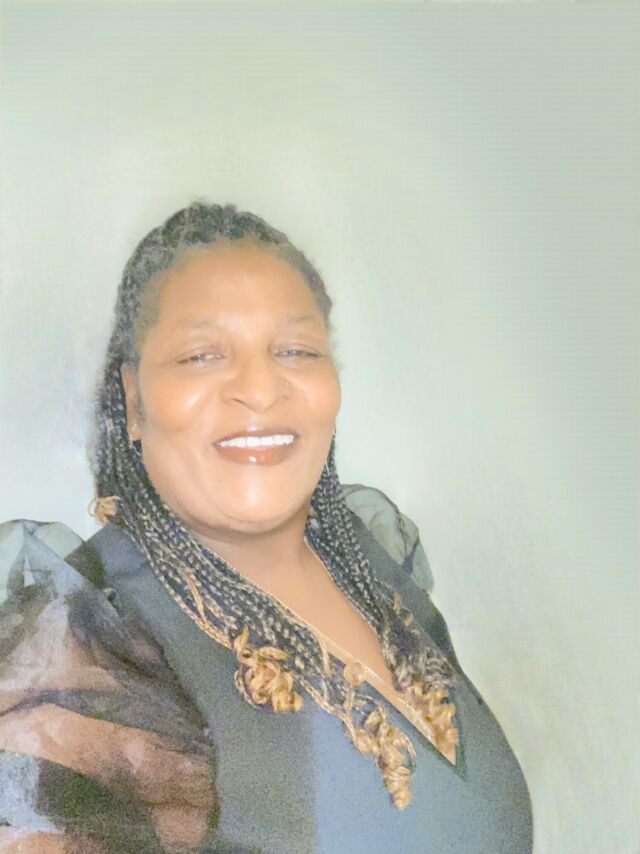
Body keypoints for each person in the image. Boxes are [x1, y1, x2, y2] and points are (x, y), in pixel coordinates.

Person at [0, 203, 533, 853]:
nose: (259, 387)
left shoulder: (370, 563)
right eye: (201, 355)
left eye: (296, 350)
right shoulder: (84, 656)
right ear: (134, 400)